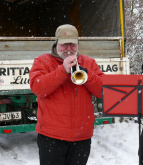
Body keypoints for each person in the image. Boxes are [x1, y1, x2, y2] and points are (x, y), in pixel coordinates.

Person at [29, 24, 104, 165]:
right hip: (52, 137)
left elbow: (102, 90)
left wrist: (87, 75)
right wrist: (62, 70)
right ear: (57, 43)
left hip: (82, 137)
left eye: (72, 44)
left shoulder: (89, 62)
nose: (69, 49)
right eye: (64, 44)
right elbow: (37, 88)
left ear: (78, 44)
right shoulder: (42, 61)